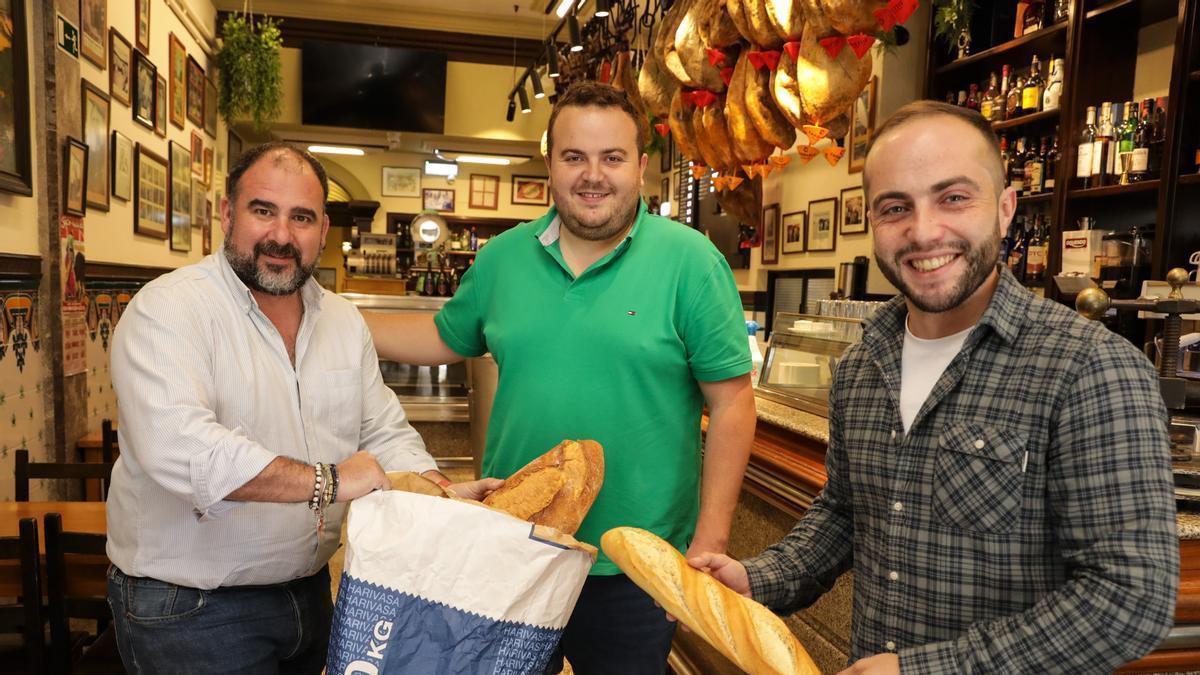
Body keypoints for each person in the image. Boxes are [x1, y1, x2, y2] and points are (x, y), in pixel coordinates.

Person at [692, 100, 1179, 674]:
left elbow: (1129, 597)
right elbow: (846, 516)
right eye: (896, 207)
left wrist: (920, 671)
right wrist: (755, 577)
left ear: (1004, 210)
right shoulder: (861, 366)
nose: (923, 231)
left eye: (953, 198)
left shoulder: (1092, 368)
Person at [365, 82, 757, 674]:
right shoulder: (501, 259)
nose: (592, 175)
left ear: (642, 167)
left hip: (635, 565)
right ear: (550, 164)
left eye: (612, 158)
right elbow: (445, 339)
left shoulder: (693, 263)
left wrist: (707, 548)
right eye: (574, 157)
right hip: (514, 545)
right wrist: (334, 319)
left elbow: (732, 404)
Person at [106, 142, 500, 674]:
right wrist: (330, 481)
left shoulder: (342, 319)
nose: (281, 236)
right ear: (227, 213)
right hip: (192, 608)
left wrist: (443, 493)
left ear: (324, 227)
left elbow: (382, 431)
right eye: (262, 210)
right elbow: (178, 446)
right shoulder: (168, 309)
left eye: (302, 218)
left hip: (310, 596)